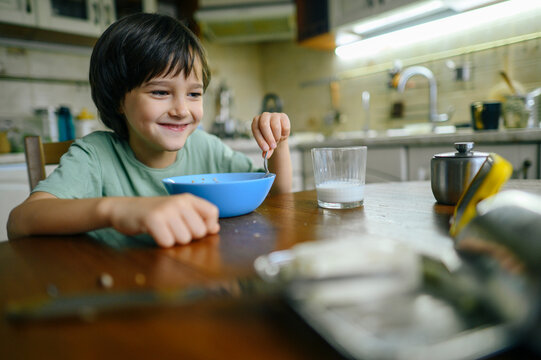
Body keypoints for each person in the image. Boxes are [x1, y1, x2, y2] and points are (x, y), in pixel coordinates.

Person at [7, 13, 292, 248]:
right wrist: (117, 209)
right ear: (119, 99)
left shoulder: (206, 147)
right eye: (160, 92)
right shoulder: (95, 155)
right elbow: (20, 222)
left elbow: (277, 194)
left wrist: (278, 142)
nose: (181, 109)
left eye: (194, 94)